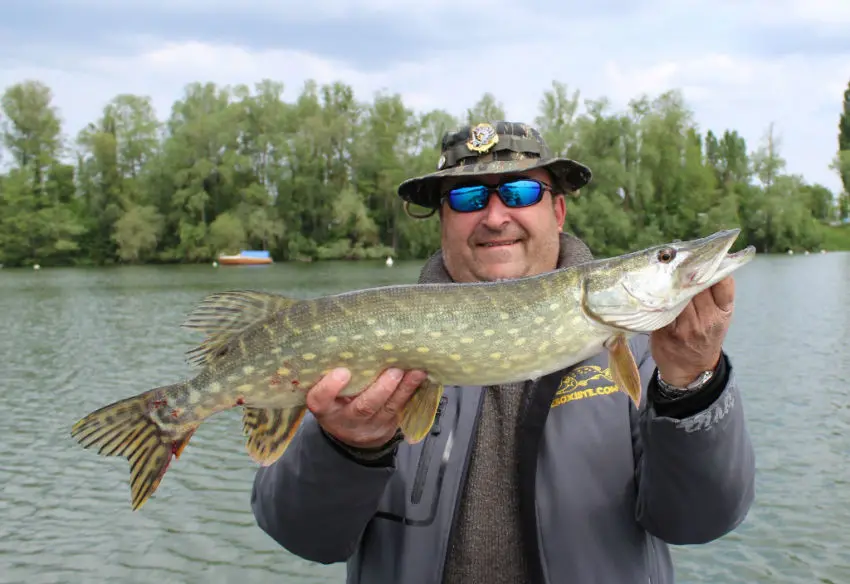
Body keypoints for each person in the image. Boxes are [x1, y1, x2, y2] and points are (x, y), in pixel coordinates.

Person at [251, 121, 756, 584]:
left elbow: (698, 521)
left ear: (556, 211)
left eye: (520, 192)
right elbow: (303, 537)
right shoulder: (384, 339)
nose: (495, 217)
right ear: (443, 220)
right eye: (468, 197)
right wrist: (346, 448)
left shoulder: (652, 358)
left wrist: (692, 387)